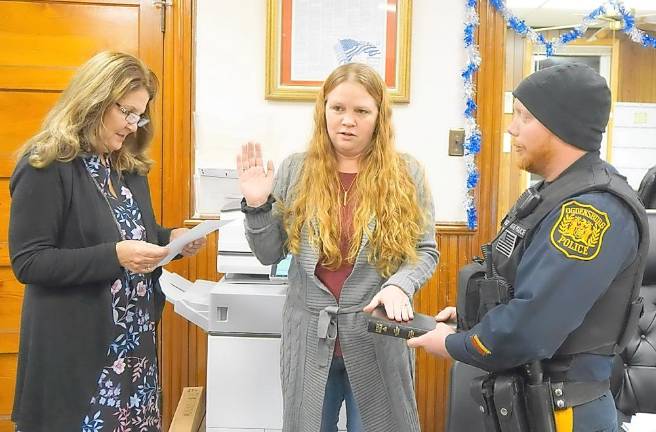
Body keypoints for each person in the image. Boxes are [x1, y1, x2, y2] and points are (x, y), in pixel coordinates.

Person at [408, 63, 649, 432]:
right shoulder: (549, 194)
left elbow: (531, 327)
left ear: (559, 125)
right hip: (531, 406)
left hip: (564, 414)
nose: (511, 127)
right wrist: (474, 317)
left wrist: (456, 344)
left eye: (524, 116)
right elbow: (528, 287)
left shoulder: (590, 211)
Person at [8, 51, 206, 432]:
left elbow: (130, 235)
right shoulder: (47, 163)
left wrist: (172, 240)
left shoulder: (125, 167)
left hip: (134, 352)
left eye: (140, 115)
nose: (133, 126)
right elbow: (30, 262)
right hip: (77, 359)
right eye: (127, 112)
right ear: (95, 100)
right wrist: (115, 256)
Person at [236, 62, 438, 432]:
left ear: (379, 116)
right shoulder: (296, 170)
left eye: (361, 111)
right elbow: (269, 254)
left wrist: (399, 284)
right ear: (323, 110)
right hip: (311, 339)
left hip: (377, 337)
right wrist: (256, 206)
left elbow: (426, 251)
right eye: (338, 108)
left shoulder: (406, 173)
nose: (348, 120)